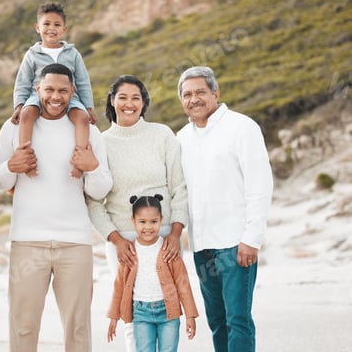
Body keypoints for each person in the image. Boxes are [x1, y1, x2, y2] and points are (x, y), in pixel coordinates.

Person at [0, 63, 112, 352]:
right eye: (49, 89)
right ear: (37, 90)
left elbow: (101, 189)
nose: (55, 96)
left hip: (75, 243)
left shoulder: (89, 131)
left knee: (78, 328)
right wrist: (12, 166)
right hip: (26, 241)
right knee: (22, 326)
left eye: (62, 90)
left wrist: (92, 167)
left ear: (73, 91)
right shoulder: (13, 127)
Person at [87, 75, 188, 352]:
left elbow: (179, 186)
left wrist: (176, 233)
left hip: (164, 237)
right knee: (131, 314)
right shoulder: (102, 142)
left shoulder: (162, 134)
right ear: (112, 101)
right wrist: (116, 239)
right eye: (122, 97)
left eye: (136, 98)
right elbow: (94, 201)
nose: (129, 104)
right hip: (123, 242)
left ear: (143, 102)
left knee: (168, 307)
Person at [176, 66, 273, 352]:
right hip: (202, 245)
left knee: (238, 319)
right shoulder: (181, 138)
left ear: (215, 93)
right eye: (187, 94)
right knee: (217, 321)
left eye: (200, 92)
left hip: (236, 243)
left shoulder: (242, 127)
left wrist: (251, 238)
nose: (194, 99)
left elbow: (260, 185)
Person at [11, 2, 97, 178]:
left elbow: (82, 81)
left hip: (69, 97)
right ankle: (27, 161)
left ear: (64, 29)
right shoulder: (32, 54)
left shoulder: (72, 54)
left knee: (81, 119)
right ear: (37, 28)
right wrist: (19, 105)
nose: (52, 28)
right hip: (38, 96)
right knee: (27, 115)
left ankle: (79, 163)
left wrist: (88, 107)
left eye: (57, 25)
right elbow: (22, 82)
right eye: (46, 24)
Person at [107, 194, 199, 352]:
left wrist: (190, 315)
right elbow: (119, 287)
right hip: (141, 314)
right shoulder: (129, 251)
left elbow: (183, 283)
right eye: (142, 222)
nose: (148, 227)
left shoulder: (169, 249)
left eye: (153, 221)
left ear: (161, 220)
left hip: (168, 313)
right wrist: (114, 317)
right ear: (133, 221)